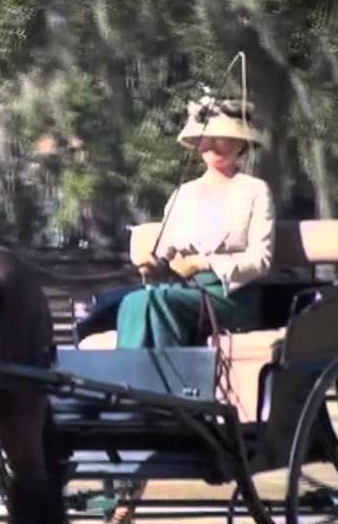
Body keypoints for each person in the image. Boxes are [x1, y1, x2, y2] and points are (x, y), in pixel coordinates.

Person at [114, 96, 274, 348]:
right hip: (184, 291)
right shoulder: (184, 193)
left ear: (241, 143)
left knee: (159, 302)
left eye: (221, 137)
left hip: (231, 297)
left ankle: (169, 383)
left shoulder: (254, 190)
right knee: (133, 301)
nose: (212, 144)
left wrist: (203, 263)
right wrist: (155, 264)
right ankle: (132, 380)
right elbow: (165, 249)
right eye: (206, 138)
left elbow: (261, 259)